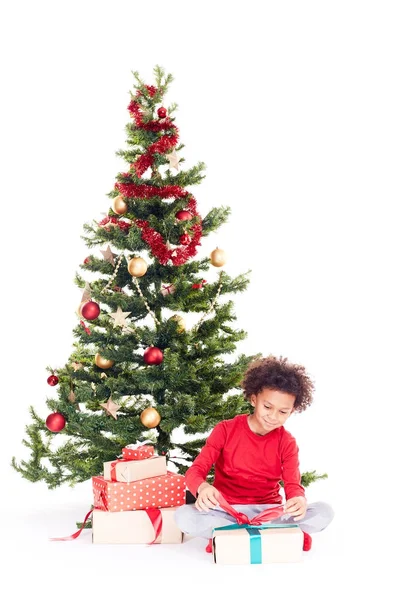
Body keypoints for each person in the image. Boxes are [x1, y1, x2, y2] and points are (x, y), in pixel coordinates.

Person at [174, 355, 334, 553]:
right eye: (267, 407)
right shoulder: (225, 430)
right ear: (253, 399)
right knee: (182, 515)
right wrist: (203, 487)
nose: (273, 416)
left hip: (268, 512)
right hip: (227, 510)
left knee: (324, 511)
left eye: (283, 412)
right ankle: (276, 535)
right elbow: (195, 471)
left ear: (291, 411)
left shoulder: (287, 442)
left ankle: (227, 535)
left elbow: (293, 485)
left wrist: (298, 500)